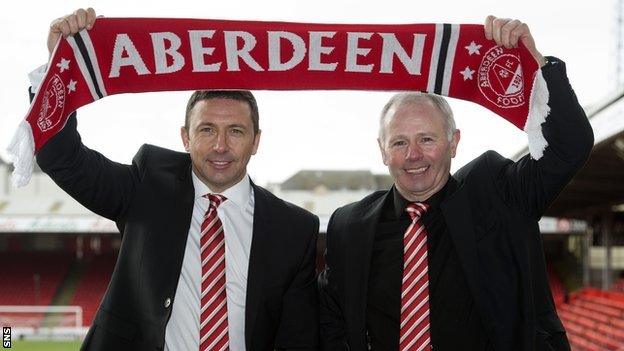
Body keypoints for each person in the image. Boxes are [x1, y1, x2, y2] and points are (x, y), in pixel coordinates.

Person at [33, 8, 319, 351]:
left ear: (256, 140)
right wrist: (59, 71)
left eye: (236, 131)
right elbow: (60, 157)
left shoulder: (294, 228)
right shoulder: (148, 185)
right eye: (207, 129)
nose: (220, 146)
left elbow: (297, 339)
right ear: (185, 137)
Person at [318, 16, 594, 351]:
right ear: (382, 151)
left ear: (454, 142)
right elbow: (331, 322)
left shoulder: (499, 193)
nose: (414, 156)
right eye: (400, 142)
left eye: (427, 139)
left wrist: (534, 67)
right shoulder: (349, 225)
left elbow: (570, 146)